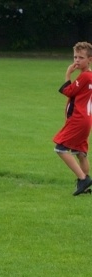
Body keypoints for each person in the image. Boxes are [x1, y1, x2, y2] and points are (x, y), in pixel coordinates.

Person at [53, 42, 92, 195]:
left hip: (78, 119)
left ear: (89, 59)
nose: (77, 61)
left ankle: (83, 179)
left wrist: (68, 74)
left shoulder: (85, 77)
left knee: (60, 148)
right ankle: (84, 185)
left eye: (81, 58)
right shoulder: (89, 77)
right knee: (80, 153)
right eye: (75, 57)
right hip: (85, 119)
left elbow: (68, 91)